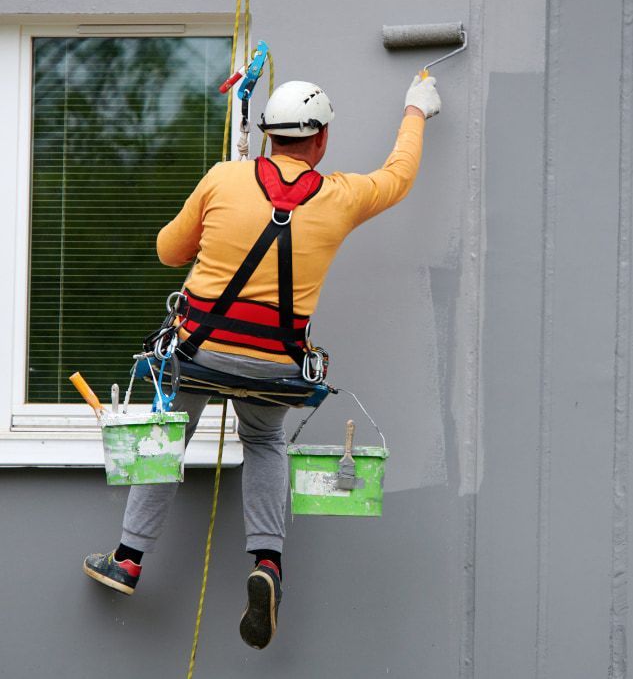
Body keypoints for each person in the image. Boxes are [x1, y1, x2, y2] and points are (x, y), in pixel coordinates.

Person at [82, 74, 441, 649]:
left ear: (269, 135)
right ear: (321, 140)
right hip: (274, 367)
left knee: (166, 437)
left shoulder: (224, 178)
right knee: (266, 442)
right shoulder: (341, 196)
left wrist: (220, 206)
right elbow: (398, 177)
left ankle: (127, 560)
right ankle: (268, 564)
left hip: (198, 354)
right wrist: (415, 109)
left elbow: (169, 251)